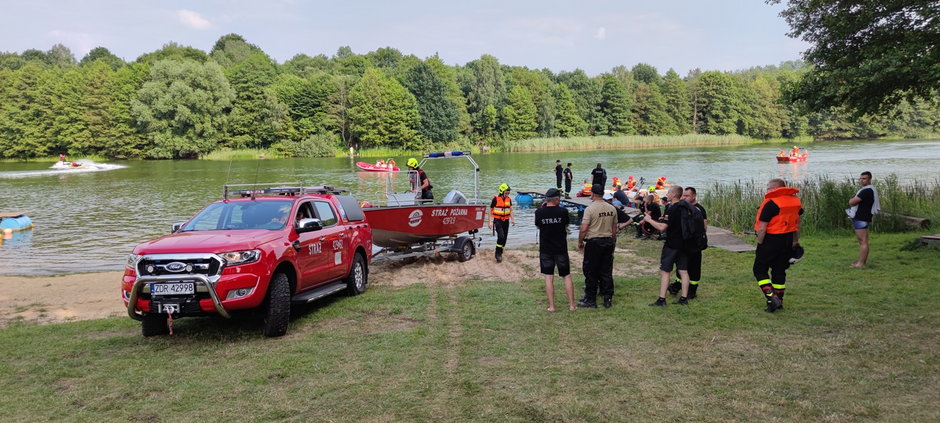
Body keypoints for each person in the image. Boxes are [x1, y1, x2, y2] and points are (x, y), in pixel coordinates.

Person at [753, 178, 803, 312]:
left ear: (775, 188)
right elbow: (796, 225)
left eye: (768, 188)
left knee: (759, 269)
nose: (767, 191)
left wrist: (760, 243)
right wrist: (795, 241)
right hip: (787, 239)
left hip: (771, 239)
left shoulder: (771, 204)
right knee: (779, 271)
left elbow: (762, 228)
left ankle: (772, 298)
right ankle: (779, 301)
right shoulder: (795, 202)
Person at [645, 186, 694, 307]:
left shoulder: (671, 209)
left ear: (673, 194)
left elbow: (662, 227)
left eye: (668, 192)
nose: (667, 194)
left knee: (665, 271)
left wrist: (649, 220)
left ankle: (662, 299)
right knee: (683, 271)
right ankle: (684, 298)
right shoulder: (685, 207)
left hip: (672, 244)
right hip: (684, 243)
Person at [577, 184, 618, 309]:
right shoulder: (612, 208)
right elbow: (614, 228)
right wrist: (613, 241)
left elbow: (584, 229)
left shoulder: (590, 209)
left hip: (594, 242)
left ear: (592, 194)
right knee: (606, 271)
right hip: (608, 241)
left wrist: (580, 241)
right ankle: (607, 298)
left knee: (591, 271)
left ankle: (591, 299)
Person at [535, 188, 576, 312]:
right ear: (557, 199)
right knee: (566, 275)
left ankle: (552, 306)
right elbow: (566, 224)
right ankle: (572, 305)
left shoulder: (539, 212)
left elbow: (538, 225)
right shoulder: (563, 211)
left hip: (546, 248)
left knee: (548, 276)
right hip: (560, 248)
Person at [669, 187, 707, 299]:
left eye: (687, 196)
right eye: (683, 196)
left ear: (694, 196)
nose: (684, 198)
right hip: (684, 243)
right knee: (681, 266)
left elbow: (704, 226)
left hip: (695, 243)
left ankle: (692, 290)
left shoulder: (699, 209)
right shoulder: (682, 208)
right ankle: (676, 286)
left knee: (694, 267)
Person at [847, 171, 880, 267]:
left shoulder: (867, 190)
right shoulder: (870, 189)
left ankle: (861, 263)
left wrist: (851, 200)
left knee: (863, 240)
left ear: (870, 179)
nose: (861, 180)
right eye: (860, 178)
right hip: (863, 217)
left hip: (861, 217)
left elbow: (852, 202)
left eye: (864, 178)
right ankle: (861, 262)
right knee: (862, 240)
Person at [488, 183, 515, 263]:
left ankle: (500, 250)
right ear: (502, 192)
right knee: (501, 236)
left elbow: (510, 210)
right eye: (506, 193)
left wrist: (513, 219)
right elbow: (490, 210)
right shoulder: (495, 199)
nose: (507, 195)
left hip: (506, 221)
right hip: (498, 221)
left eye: (508, 193)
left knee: (504, 239)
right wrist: (489, 221)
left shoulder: (509, 199)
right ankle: (497, 253)